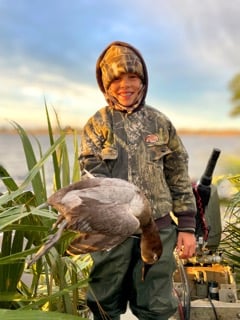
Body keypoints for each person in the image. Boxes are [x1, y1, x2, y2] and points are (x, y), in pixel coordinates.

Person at [79, 41, 196, 320]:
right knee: (103, 303)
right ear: (105, 85)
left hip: (158, 230)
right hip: (112, 233)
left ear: (143, 81)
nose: (125, 85)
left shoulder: (160, 122)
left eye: (133, 77)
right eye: (117, 79)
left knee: (156, 305)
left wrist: (188, 227)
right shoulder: (97, 124)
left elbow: (178, 175)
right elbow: (92, 175)